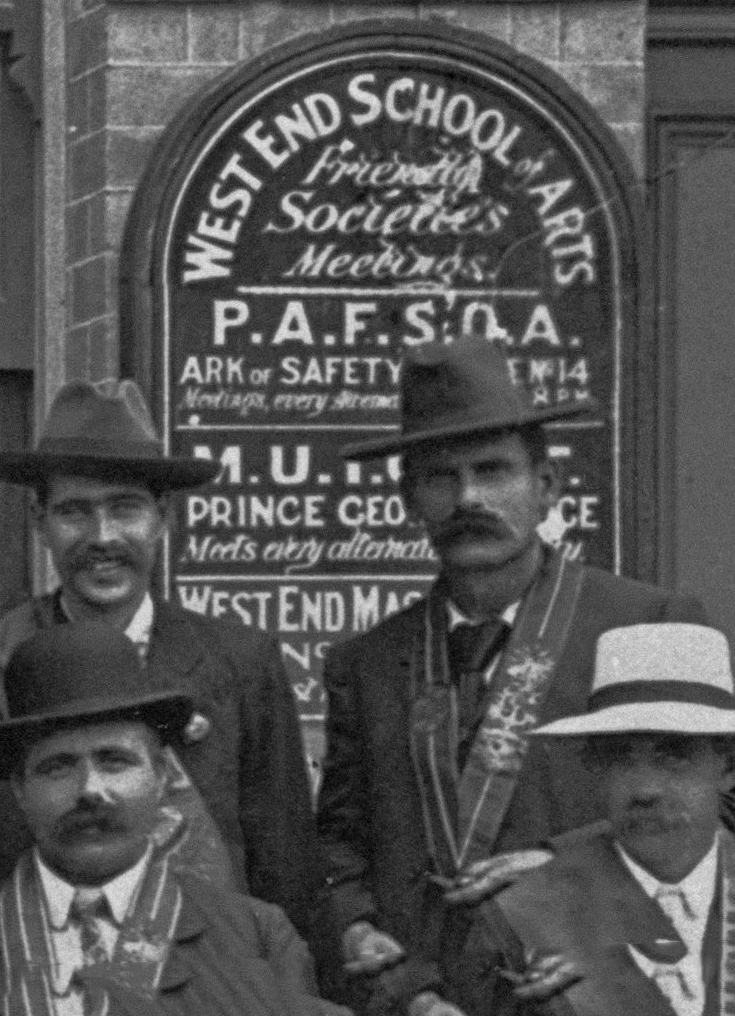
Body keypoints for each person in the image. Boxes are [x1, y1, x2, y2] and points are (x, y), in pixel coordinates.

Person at [315, 336, 707, 1016]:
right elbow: (338, 849)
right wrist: (365, 943)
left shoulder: (645, 622)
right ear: (409, 498)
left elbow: (720, 806)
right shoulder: (366, 663)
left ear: (546, 487)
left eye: (492, 471)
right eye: (440, 478)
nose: (468, 496)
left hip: (600, 993)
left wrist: (569, 865)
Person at [0, 378, 317, 938]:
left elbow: (286, 866)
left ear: (162, 517)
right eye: (74, 511)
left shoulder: (241, 662)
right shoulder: (5, 655)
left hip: (210, 966)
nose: (102, 536)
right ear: (38, 519)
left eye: (125, 509)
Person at [0, 623, 351, 1016]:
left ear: (162, 777)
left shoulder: (256, 937)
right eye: (58, 767)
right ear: (20, 790)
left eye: (114, 761)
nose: (90, 789)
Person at [460, 622, 735, 1016]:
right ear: (595, 768)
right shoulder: (520, 912)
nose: (645, 790)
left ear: (728, 768)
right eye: (620, 758)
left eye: (673, 758)